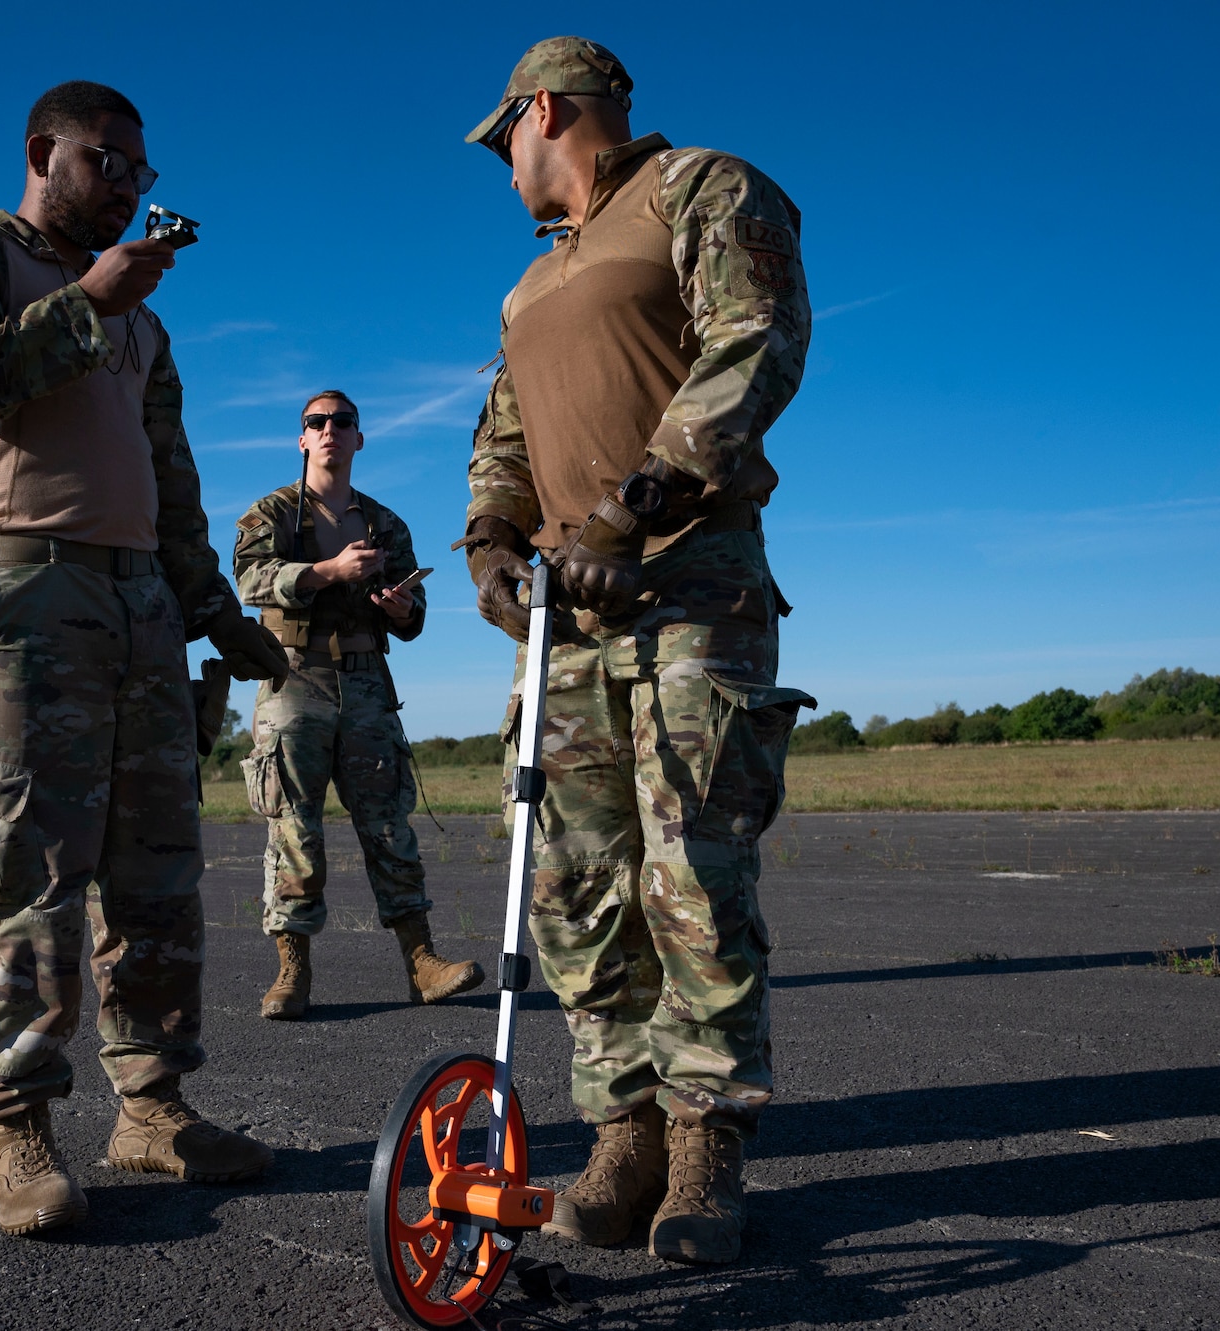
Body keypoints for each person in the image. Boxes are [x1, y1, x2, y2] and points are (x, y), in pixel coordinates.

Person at [0, 79, 290, 1237]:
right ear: (42, 152)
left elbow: (171, 487)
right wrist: (83, 304)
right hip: (22, 595)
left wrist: (217, 613)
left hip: (140, 608)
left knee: (156, 868)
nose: (124, 185)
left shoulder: (146, 323)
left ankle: (152, 1105)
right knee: (21, 863)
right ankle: (17, 1125)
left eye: (138, 171)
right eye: (106, 161)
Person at [457, 38, 816, 1265]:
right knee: (573, 889)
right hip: (565, 616)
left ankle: (703, 1139)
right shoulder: (527, 285)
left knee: (692, 882)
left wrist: (634, 509)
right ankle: (621, 1128)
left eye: (501, 137)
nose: (500, 164)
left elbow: (753, 341)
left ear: (543, 110)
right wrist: (491, 550)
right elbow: (498, 435)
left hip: (690, 587)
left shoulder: (699, 189)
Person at [232, 392, 485, 1020]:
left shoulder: (384, 522)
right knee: (295, 829)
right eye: (315, 424)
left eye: (341, 423)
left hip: (368, 680)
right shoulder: (271, 513)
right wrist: (326, 571)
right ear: (302, 441)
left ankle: (422, 962)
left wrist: (402, 608)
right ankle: (292, 970)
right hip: (295, 677)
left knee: (391, 827)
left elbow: (415, 620)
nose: (328, 432)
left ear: (358, 439)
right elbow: (248, 579)